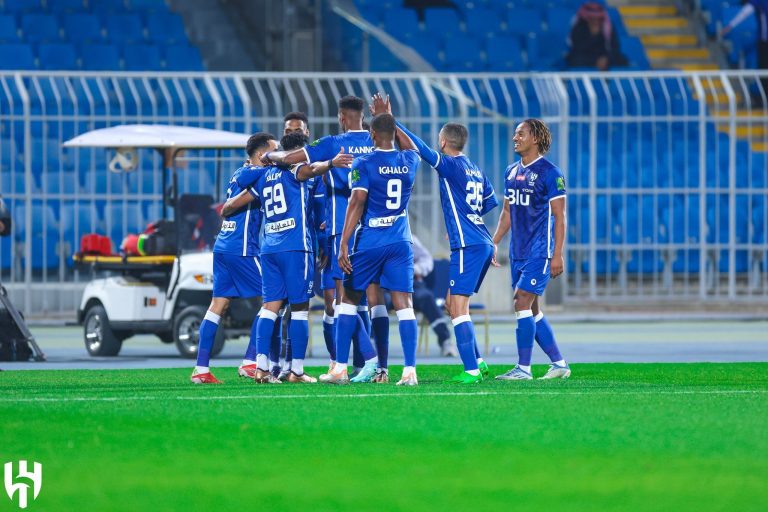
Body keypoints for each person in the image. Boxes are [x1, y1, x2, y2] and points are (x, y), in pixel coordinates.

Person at [263, 95, 380, 381]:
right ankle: (354, 363)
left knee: (341, 301)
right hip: (371, 229)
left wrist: (268, 155)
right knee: (359, 300)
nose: (293, 134)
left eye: (297, 131)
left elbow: (291, 160)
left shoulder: (330, 145)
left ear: (341, 116)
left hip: (340, 229)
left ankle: (363, 361)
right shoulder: (377, 141)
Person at [223, 133, 354, 383]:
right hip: (296, 247)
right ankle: (296, 371)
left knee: (269, 308)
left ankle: (261, 367)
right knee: (300, 311)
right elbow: (311, 170)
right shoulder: (293, 172)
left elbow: (235, 202)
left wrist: (227, 207)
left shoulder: (262, 177)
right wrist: (330, 163)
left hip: (269, 248)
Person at [388, 99, 499, 384]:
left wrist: (390, 120)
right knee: (452, 304)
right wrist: (462, 222)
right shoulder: (475, 169)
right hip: (481, 242)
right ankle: (480, 363)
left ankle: (471, 371)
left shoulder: (450, 166)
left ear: (444, 141)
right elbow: (488, 204)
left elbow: (421, 151)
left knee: (459, 308)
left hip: (468, 246)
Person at [329, 106, 422, 386]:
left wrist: (344, 242)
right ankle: (409, 372)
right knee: (404, 304)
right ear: (394, 133)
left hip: (371, 241)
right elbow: (414, 147)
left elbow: (356, 202)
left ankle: (340, 369)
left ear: (371, 134)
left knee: (348, 299)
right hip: (400, 242)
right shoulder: (410, 160)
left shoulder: (365, 163)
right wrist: (394, 123)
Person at [189, 132, 276, 385]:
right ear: (262, 155)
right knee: (274, 298)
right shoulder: (258, 175)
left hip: (223, 246)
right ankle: (251, 362)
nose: (278, 155)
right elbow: (228, 207)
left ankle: (201, 369)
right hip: (243, 248)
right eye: (274, 150)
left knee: (218, 305)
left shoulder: (239, 173)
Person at [492, 119, 571, 380]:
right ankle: (559, 364)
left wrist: (557, 253)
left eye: (520, 133)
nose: (515, 138)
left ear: (535, 138)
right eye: (515, 133)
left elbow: (560, 216)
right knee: (532, 310)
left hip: (540, 250)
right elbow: (507, 212)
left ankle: (523, 368)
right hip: (518, 252)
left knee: (521, 300)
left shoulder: (551, 173)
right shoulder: (511, 172)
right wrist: (494, 242)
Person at [412, 235, 456, 357]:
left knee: (427, 297)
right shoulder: (372, 234)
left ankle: (446, 341)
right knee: (377, 303)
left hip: (412, 284)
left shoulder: (410, 238)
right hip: (386, 286)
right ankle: (372, 345)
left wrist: (416, 269)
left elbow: (426, 259)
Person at [722, 1, 768, 98]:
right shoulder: (760, 2)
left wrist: (730, 26)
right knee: (763, 71)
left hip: (764, 42)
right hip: (764, 42)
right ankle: (763, 98)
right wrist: (731, 25)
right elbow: (745, 12)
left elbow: (746, 12)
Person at [566, 2, 627, 70]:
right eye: (592, 18)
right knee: (576, 60)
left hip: (604, 56)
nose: (596, 21)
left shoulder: (607, 26)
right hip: (584, 56)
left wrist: (606, 58)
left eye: (598, 18)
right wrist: (593, 35)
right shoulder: (579, 26)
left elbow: (614, 46)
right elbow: (577, 48)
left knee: (622, 60)